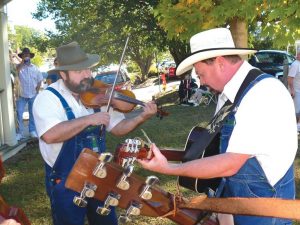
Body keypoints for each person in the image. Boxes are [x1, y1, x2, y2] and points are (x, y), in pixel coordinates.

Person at [138, 28, 297, 225]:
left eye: (201, 74)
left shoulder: (262, 93)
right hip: (238, 202)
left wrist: (168, 168)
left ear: (220, 63)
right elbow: (220, 150)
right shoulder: (228, 95)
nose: (201, 82)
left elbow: (230, 163)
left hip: (265, 210)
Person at [32, 41, 157, 225]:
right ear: (63, 74)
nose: (86, 76)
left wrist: (141, 118)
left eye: (88, 69)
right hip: (65, 180)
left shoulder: (99, 96)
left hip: (100, 175)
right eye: (78, 71)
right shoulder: (47, 98)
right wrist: (88, 120)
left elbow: (118, 128)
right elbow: (50, 135)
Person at [16, 47, 43, 140]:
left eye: (27, 55)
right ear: (22, 56)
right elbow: (16, 72)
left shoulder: (35, 68)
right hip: (21, 95)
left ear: (30, 56)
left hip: (33, 94)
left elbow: (40, 80)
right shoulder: (19, 67)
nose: (26, 56)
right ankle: (19, 133)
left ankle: (32, 131)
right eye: (24, 55)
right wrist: (22, 62)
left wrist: (37, 90)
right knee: (19, 113)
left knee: (32, 113)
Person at [288, 49, 300, 131]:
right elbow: (289, 78)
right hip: (296, 91)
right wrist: (292, 90)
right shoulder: (295, 65)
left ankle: (298, 126)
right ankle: (294, 127)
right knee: (296, 111)